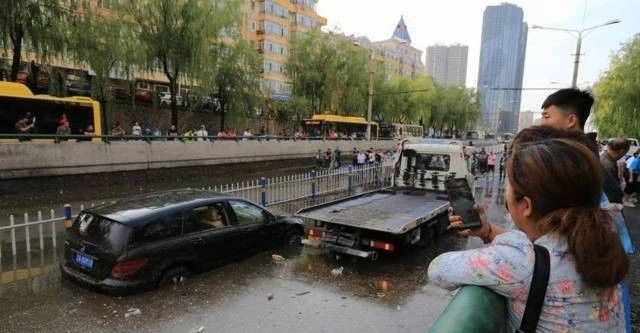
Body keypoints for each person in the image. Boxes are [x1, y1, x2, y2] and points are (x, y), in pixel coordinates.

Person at [428, 138, 628, 332]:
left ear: (526, 205)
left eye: (509, 186)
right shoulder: (604, 238)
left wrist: (513, 241)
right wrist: (487, 231)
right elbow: (549, 252)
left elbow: (438, 269)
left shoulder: (521, 263)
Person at [601, 139, 631, 206]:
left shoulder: (606, 158)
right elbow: (610, 189)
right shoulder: (607, 164)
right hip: (609, 203)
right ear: (622, 151)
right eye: (625, 153)